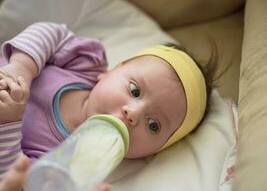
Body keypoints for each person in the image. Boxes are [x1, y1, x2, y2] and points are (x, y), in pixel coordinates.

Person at [0, 22, 214, 190]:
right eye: (135, 90)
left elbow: (13, 179)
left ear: (154, 151)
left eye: (153, 125)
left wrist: (8, 122)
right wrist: (22, 67)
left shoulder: (66, 163)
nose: (133, 114)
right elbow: (50, 33)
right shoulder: (84, 65)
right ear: (112, 71)